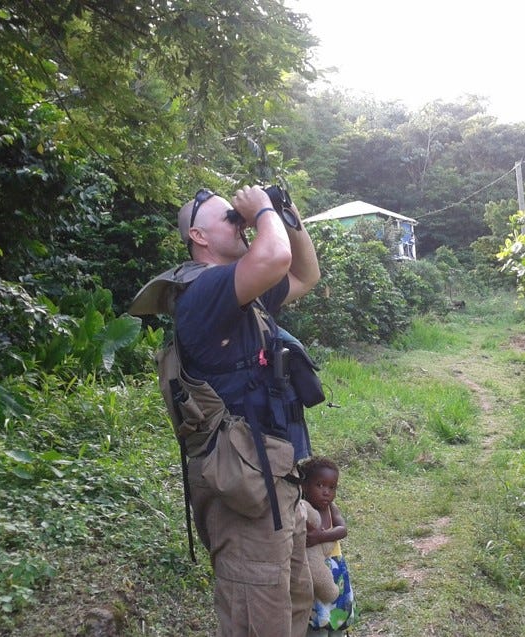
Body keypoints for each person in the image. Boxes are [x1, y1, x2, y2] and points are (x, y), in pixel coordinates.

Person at [175, 185, 320, 637]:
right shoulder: (203, 293)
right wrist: (259, 212)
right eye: (230, 217)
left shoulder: (244, 295)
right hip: (242, 491)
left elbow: (304, 273)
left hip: (275, 479)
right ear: (198, 235)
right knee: (256, 619)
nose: (240, 222)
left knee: (292, 605)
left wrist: (285, 214)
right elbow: (274, 258)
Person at [301, 456, 356, 636]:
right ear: (304, 486)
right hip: (314, 575)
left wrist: (321, 536)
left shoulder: (331, 508)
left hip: (336, 569)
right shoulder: (303, 509)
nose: (326, 492)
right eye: (320, 485)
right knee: (316, 620)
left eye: (332, 487)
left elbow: (343, 530)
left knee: (337, 617)